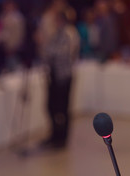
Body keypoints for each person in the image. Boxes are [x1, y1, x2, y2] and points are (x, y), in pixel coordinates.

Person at [41, 12, 80, 149]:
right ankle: (54, 134)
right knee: (51, 106)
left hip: (64, 76)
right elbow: (46, 51)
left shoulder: (69, 33)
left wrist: (50, 53)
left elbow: (65, 52)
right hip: (53, 75)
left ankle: (62, 138)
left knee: (63, 108)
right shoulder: (55, 34)